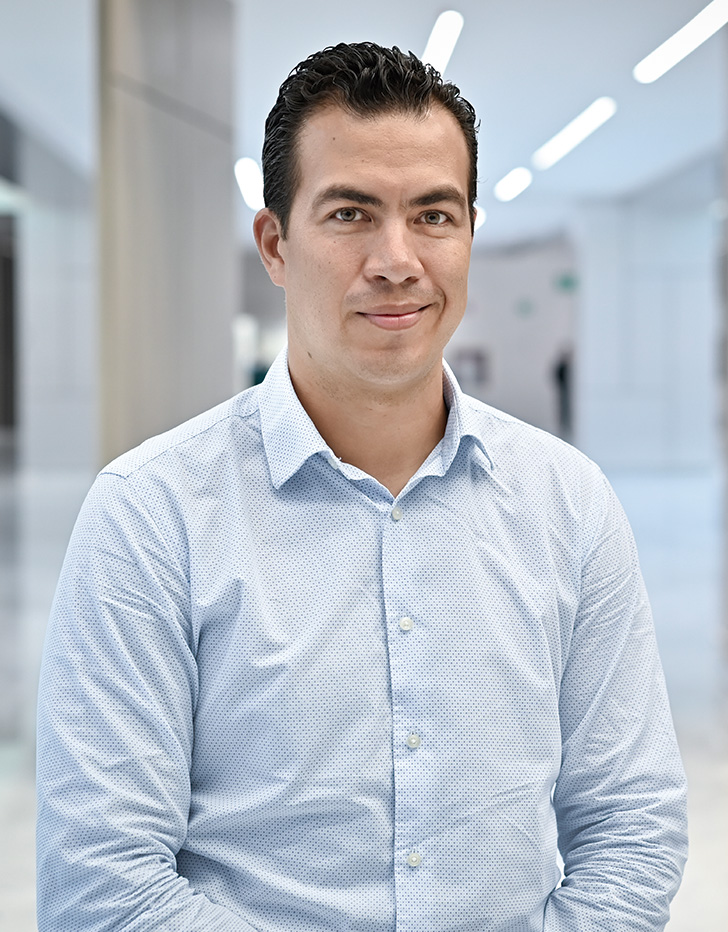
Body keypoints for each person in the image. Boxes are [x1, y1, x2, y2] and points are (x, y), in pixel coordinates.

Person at [36, 42, 688, 932]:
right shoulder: (152, 515)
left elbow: (631, 826)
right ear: (275, 243)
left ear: (467, 236)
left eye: (433, 215)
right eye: (350, 213)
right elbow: (102, 886)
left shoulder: (568, 502)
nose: (397, 259)